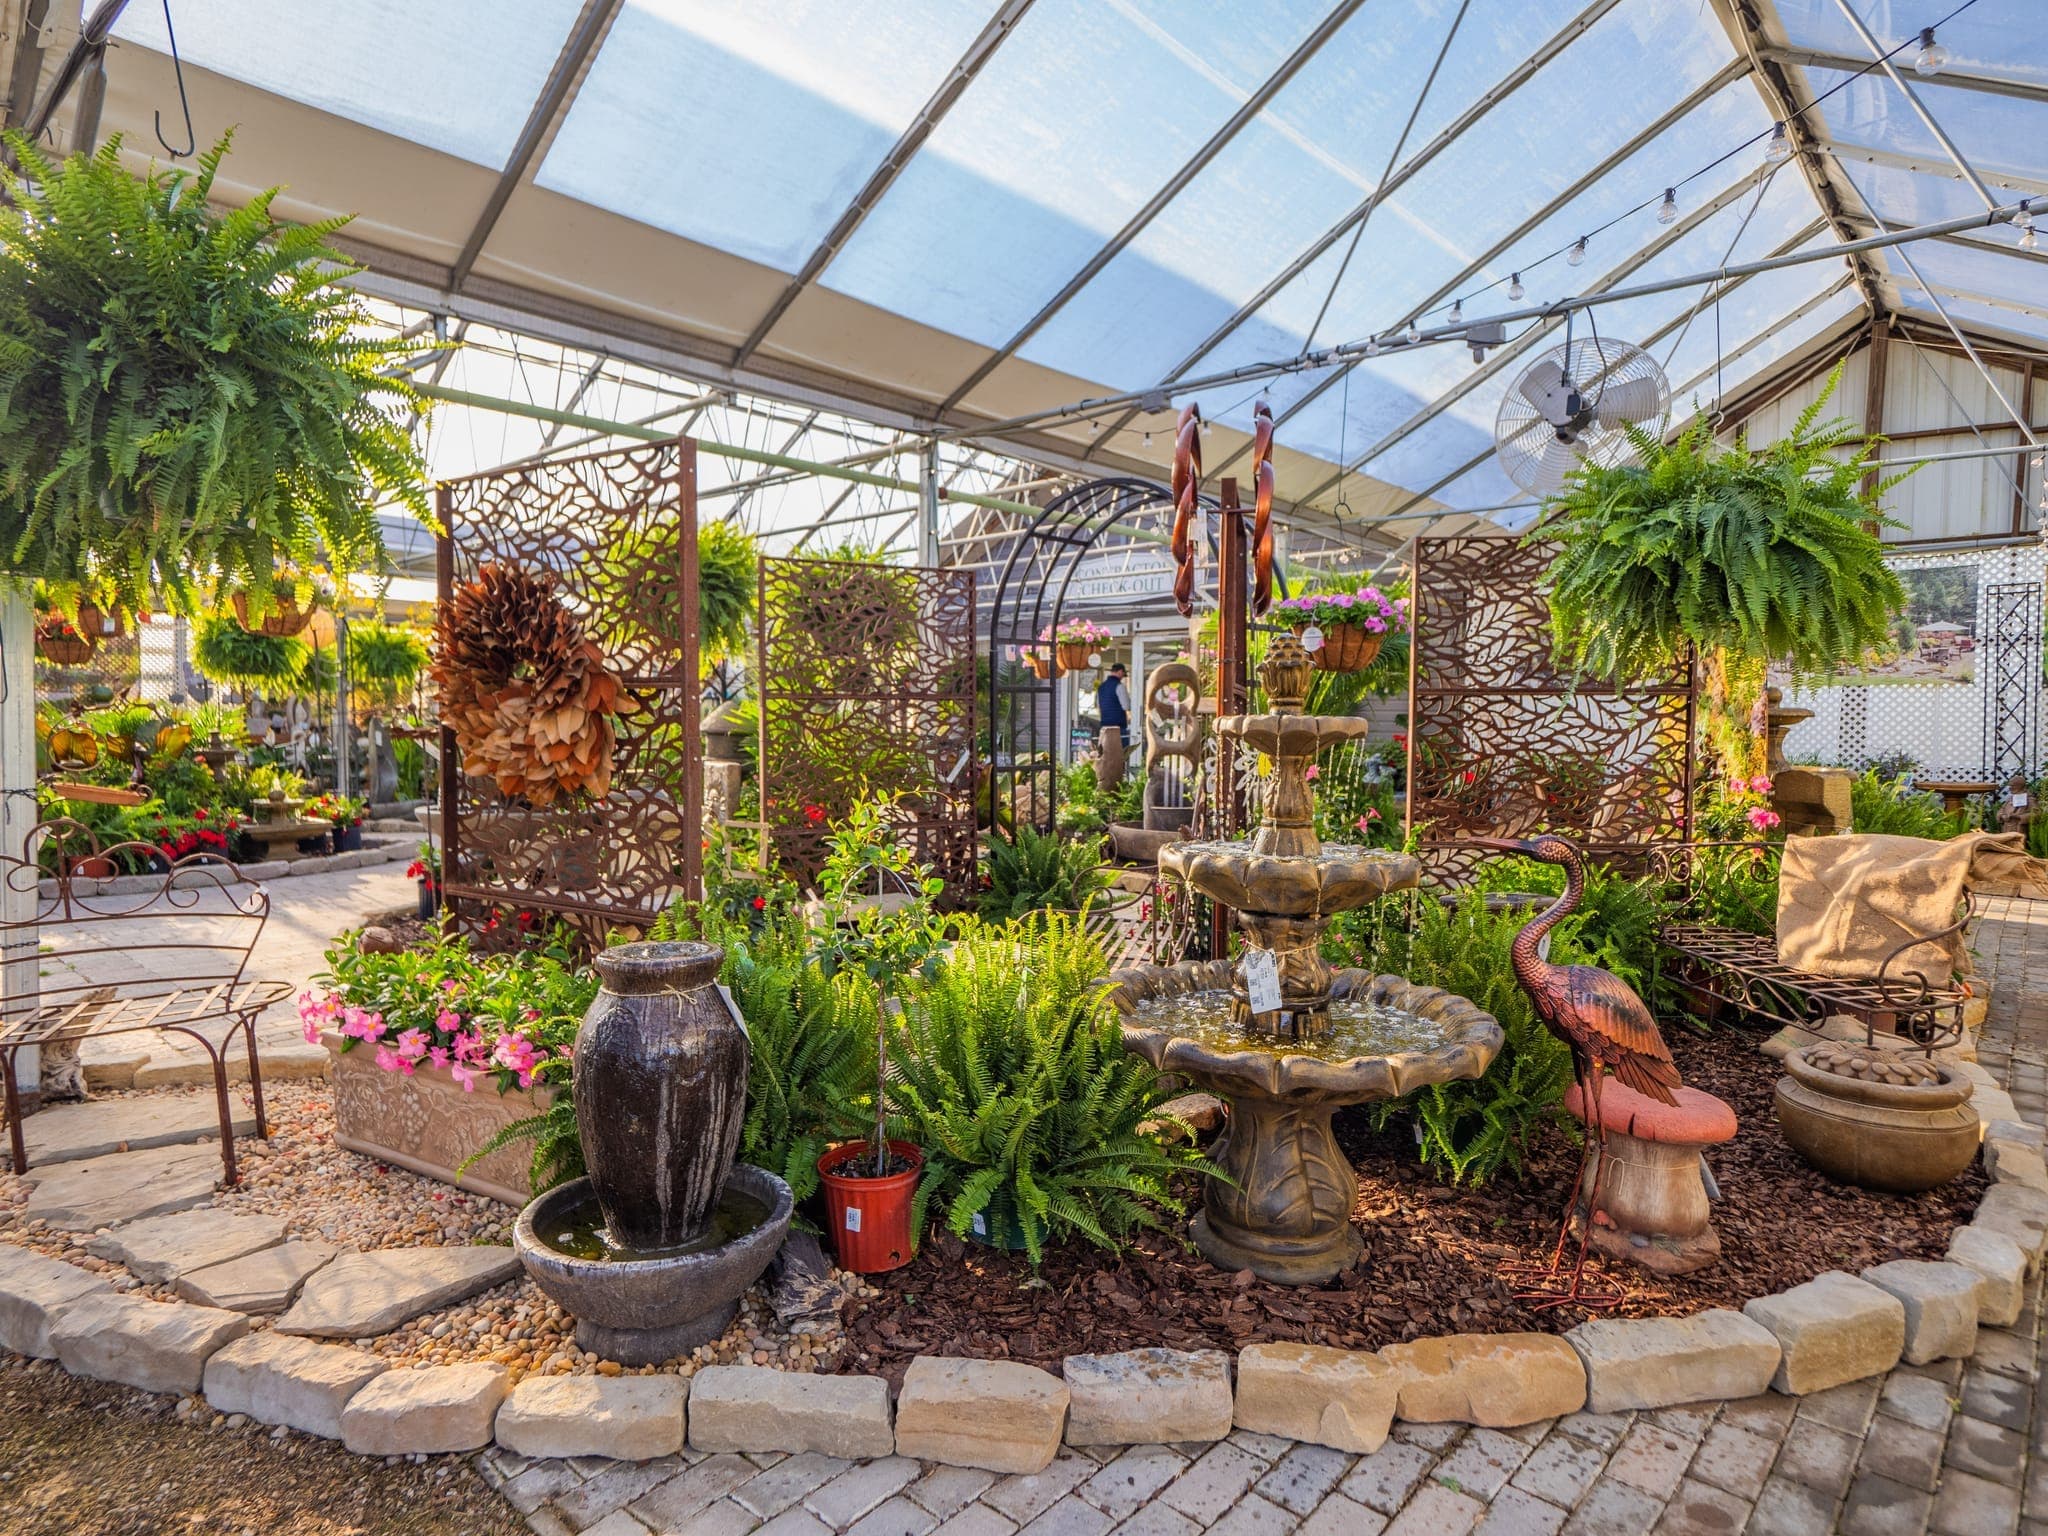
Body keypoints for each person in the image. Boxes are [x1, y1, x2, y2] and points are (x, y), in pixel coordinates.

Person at [1096, 662, 1132, 748]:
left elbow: (1099, 705)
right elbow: (1126, 706)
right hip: (1118, 726)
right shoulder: (1119, 686)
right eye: (1123, 675)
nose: (1122, 677)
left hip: (1105, 725)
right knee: (1121, 753)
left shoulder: (1101, 687)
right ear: (1120, 671)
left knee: (1106, 752)